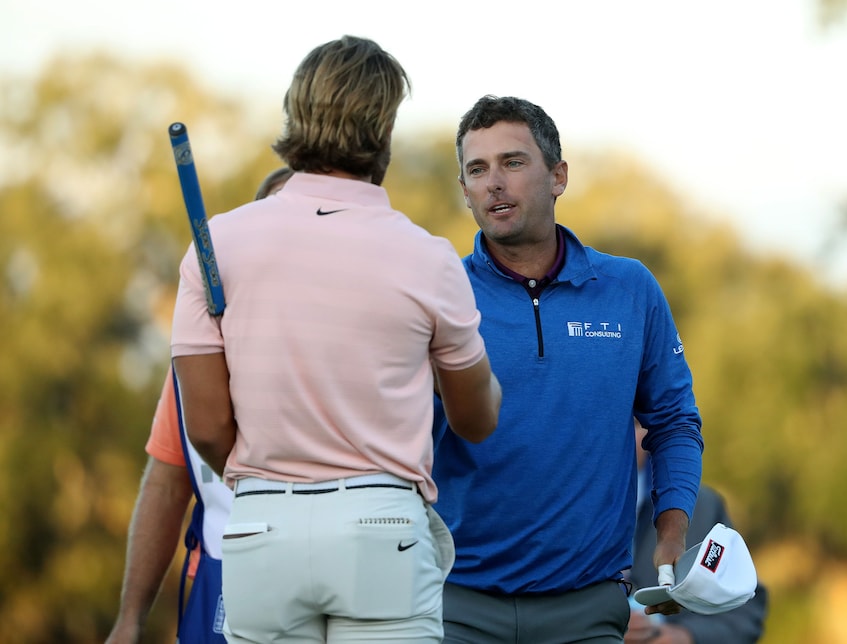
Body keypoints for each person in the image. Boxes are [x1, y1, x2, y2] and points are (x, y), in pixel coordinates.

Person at [170, 36, 502, 644]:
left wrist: (272, 482)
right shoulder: (426, 257)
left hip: (262, 522)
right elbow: (476, 419)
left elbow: (208, 429)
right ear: (384, 128)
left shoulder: (219, 243)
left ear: (297, 113)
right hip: (382, 525)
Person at [431, 95, 704, 643]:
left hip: (587, 609)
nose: (494, 183)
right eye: (477, 170)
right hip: (454, 604)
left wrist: (671, 531)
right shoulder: (439, 291)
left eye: (512, 162)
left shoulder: (630, 289)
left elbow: (674, 421)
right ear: (464, 192)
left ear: (557, 176)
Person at [106, 167, 293, 644]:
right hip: (219, 579)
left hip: (324, 582)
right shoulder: (195, 363)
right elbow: (167, 485)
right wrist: (129, 620)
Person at [625, 425, 768, 644]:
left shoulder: (703, 507)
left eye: (633, 423)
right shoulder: (557, 506)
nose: (620, 434)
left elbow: (746, 609)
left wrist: (687, 637)